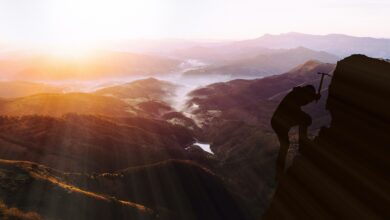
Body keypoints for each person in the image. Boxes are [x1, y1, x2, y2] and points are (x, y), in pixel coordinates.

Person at [271, 85, 320, 181]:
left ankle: (279, 173)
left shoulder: (297, 94)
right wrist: (314, 97)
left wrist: (314, 97)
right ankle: (302, 143)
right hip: (280, 122)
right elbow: (302, 101)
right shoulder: (297, 96)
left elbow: (303, 101)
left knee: (284, 147)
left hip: (279, 122)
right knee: (306, 120)